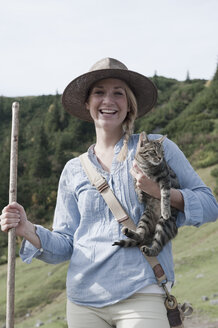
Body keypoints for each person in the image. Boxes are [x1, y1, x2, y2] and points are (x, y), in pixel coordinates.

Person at [1, 57, 218, 328]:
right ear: (87, 104)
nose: (109, 100)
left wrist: (161, 191)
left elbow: (210, 205)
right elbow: (66, 244)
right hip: (83, 303)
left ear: (129, 105)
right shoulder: (73, 170)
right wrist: (27, 229)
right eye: (99, 93)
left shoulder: (159, 149)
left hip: (142, 293)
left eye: (119, 93)